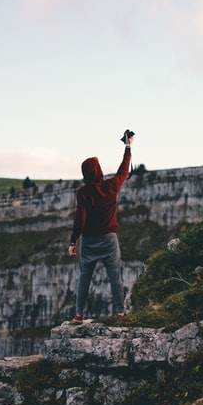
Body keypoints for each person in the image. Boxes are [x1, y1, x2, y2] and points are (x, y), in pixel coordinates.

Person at [68, 130, 135, 322]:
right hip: (108, 240)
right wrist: (128, 146)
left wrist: (73, 241)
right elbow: (124, 170)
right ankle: (120, 312)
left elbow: (80, 218)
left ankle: (79, 314)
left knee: (84, 278)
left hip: (89, 242)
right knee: (115, 276)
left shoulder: (83, 193)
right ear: (98, 171)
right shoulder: (111, 186)